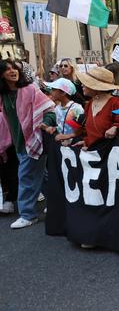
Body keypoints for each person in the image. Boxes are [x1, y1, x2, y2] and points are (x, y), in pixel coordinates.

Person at [0, 59, 56, 229]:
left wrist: (45, 123)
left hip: (34, 139)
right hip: (18, 142)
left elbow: (50, 109)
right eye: (7, 69)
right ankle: (57, 204)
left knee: (25, 176)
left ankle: (28, 214)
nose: (12, 71)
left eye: (14, 68)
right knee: (42, 176)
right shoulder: (3, 95)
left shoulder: (30, 89)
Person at [76, 65, 119, 149]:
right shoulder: (89, 104)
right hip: (93, 155)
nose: (82, 85)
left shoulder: (117, 104)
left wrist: (115, 127)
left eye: (86, 82)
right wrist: (86, 142)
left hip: (111, 156)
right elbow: (91, 133)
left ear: (96, 87)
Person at [42, 78, 84, 146]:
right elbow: (61, 125)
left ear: (63, 92)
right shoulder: (57, 108)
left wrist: (68, 136)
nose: (51, 92)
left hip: (75, 145)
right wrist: (54, 129)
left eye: (53, 89)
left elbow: (81, 129)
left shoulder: (76, 108)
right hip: (62, 146)